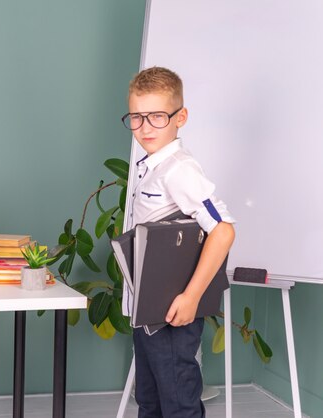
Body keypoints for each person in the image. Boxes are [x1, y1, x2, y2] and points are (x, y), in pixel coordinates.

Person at [121, 67, 236, 417]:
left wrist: (191, 297)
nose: (145, 128)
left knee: (179, 404)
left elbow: (223, 230)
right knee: (151, 400)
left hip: (173, 312)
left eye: (156, 116)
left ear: (179, 117)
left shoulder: (179, 169)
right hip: (148, 310)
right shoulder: (149, 165)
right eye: (137, 117)